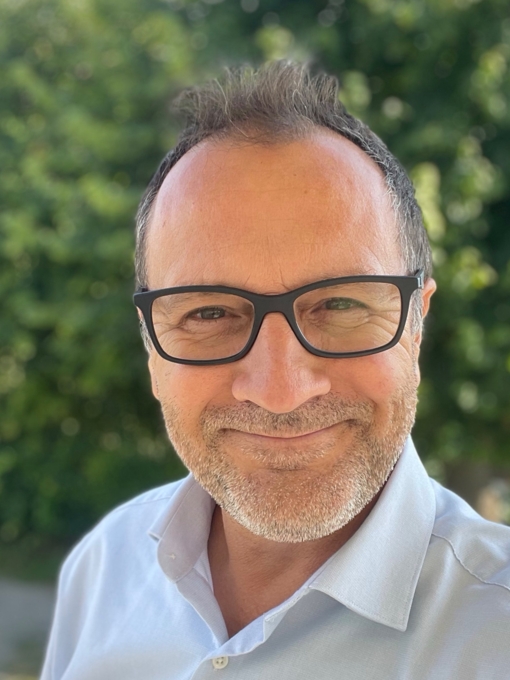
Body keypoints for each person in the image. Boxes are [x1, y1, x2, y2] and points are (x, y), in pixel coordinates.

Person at [40, 62, 510, 680]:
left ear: (416, 324)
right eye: (210, 313)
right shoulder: (103, 569)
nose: (281, 391)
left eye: (340, 305)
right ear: (151, 346)